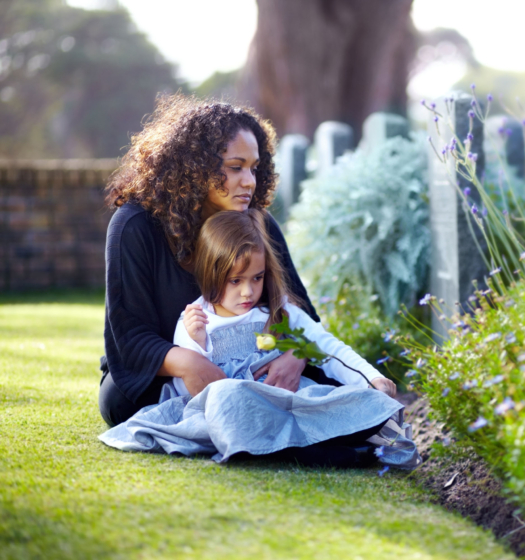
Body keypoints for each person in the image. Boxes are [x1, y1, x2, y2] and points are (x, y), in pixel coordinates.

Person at [99, 94, 396, 428]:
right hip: (169, 374)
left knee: (327, 384)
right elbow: (130, 336)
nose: (250, 182)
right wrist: (190, 364)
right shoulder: (135, 226)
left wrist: (295, 357)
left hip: (256, 367)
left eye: (254, 168)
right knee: (120, 402)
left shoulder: (258, 224)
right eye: (235, 167)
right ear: (194, 167)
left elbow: (301, 316)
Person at [170, 208, 393, 399]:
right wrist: (199, 344)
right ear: (210, 274)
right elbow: (187, 390)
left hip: (283, 404)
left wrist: (371, 378)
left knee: (342, 406)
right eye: (235, 281)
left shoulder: (277, 310)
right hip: (229, 413)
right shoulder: (195, 320)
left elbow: (326, 346)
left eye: (257, 278)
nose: (248, 292)